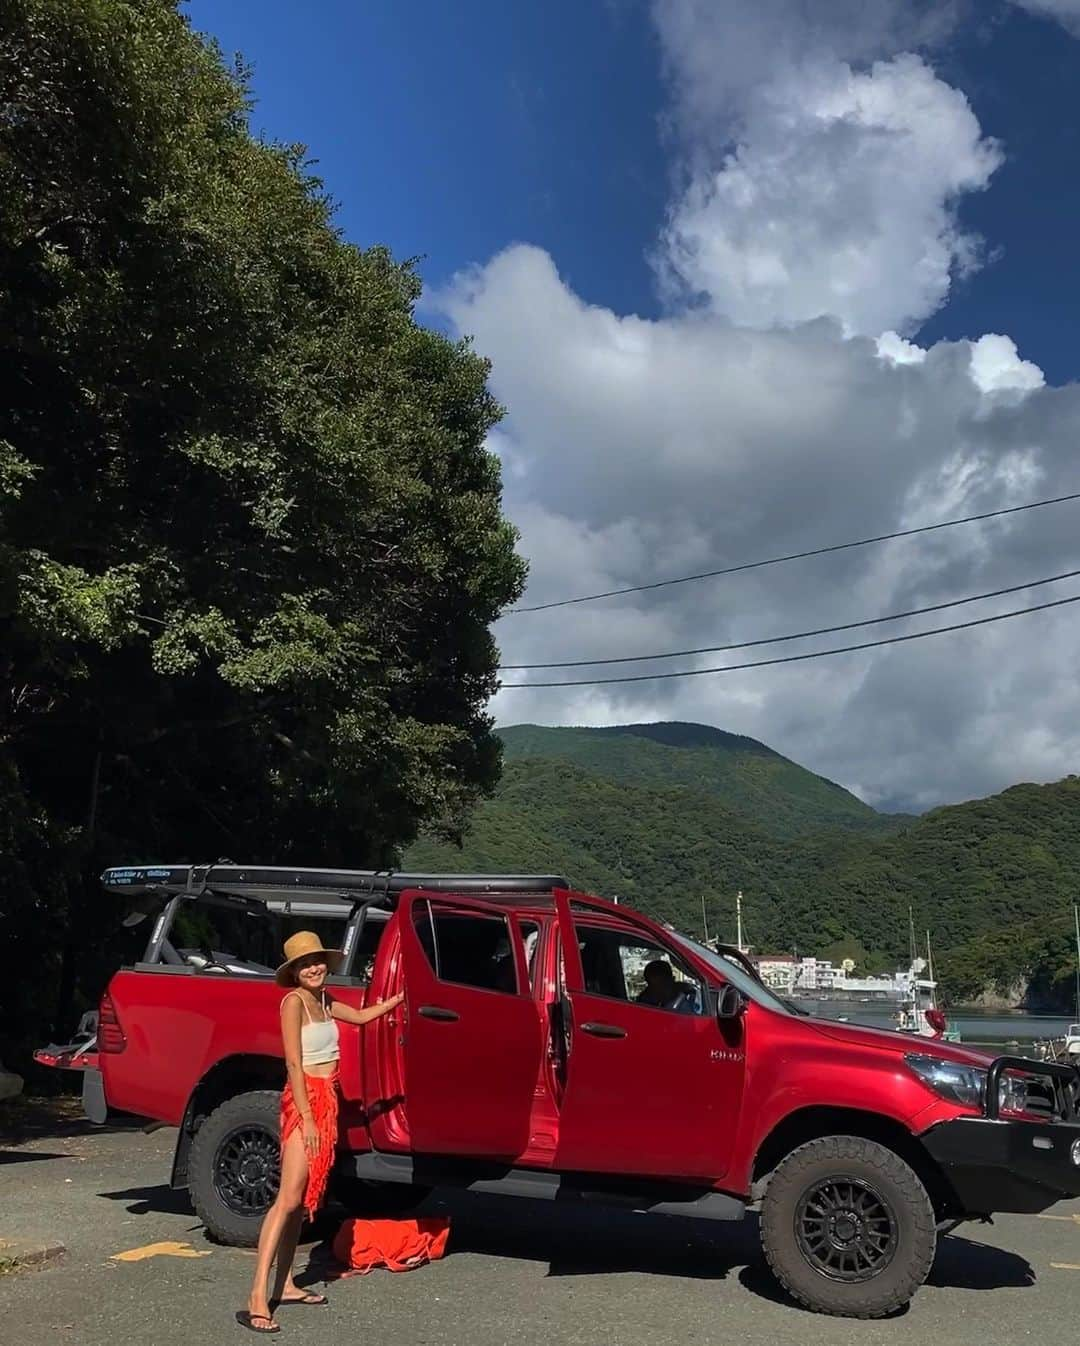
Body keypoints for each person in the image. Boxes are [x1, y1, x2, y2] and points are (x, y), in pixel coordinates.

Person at [240, 931, 404, 1334]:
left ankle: (285, 1283)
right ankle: (257, 1294)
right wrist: (308, 1118)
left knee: (302, 1201)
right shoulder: (293, 1003)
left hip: (326, 1100)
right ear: (294, 972)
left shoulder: (326, 1001)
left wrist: (400, 1000)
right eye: (304, 964)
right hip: (304, 1102)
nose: (313, 968)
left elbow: (363, 1018)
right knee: (288, 1197)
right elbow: (294, 1065)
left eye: (317, 961)